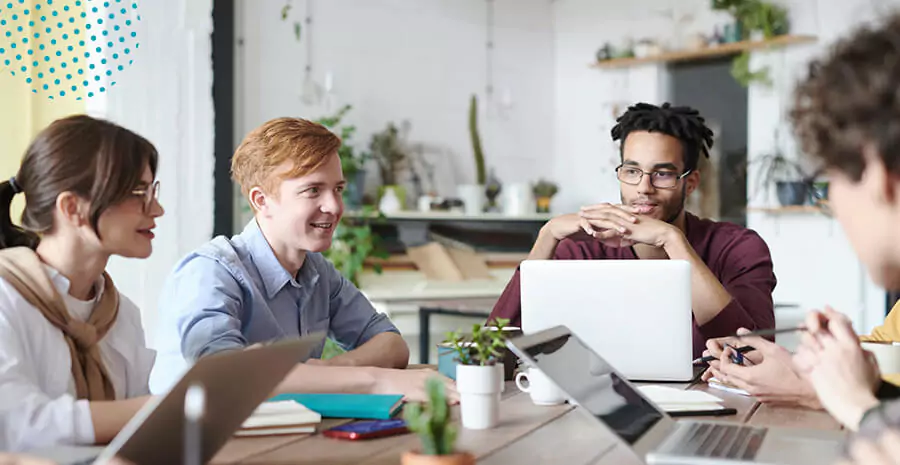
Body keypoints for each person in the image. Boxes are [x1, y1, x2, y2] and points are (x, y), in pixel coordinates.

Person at [150, 117, 456, 402]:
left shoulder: (318, 273)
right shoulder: (210, 271)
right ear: (261, 200)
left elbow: (390, 343)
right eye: (313, 190)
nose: (334, 206)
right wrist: (374, 380)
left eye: (337, 189)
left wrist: (330, 370)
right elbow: (225, 374)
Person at [489, 102, 777, 357]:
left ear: (690, 182)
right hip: (603, 403)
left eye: (662, 174)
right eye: (632, 171)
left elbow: (753, 354)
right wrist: (547, 235)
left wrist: (671, 240)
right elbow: (494, 346)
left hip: (716, 404)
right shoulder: (582, 247)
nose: (643, 187)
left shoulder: (739, 248)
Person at [0, 115, 164, 451]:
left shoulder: (121, 313)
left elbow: (138, 439)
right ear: (72, 208)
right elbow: (15, 424)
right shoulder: (6, 299)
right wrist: (154, 410)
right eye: (138, 193)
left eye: (153, 192)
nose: (157, 209)